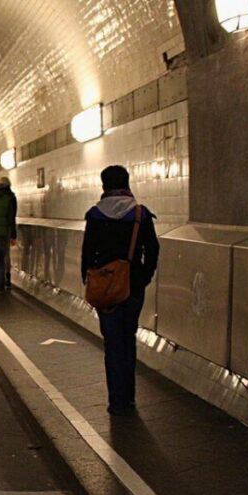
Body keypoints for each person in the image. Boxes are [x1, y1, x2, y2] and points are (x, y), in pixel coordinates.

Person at [81, 165, 159, 416]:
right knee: (128, 339)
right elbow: (153, 250)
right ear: (127, 182)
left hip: (105, 288)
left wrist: (90, 278)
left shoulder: (94, 215)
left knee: (112, 343)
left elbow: (87, 252)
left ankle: (116, 401)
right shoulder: (140, 215)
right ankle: (129, 398)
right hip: (133, 286)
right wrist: (143, 277)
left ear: (104, 186)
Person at [0, 177, 18, 289]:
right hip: (6, 229)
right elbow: (13, 216)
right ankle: (8, 278)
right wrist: (13, 234)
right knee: (7, 254)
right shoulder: (12, 197)